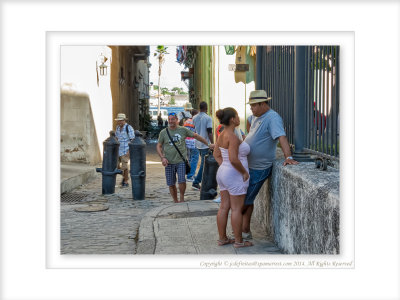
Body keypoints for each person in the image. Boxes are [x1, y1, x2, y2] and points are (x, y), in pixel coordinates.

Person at [242, 90, 298, 239]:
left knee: (244, 201)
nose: (251, 109)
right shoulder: (255, 116)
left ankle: (243, 232)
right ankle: (244, 231)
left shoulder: (273, 118)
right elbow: (248, 120)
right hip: (249, 166)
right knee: (246, 200)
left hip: (260, 167)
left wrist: (288, 156)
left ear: (262, 104)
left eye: (254, 105)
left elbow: (281, 137)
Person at [213, 107, 253, 248]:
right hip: (234, 175)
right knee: (236, 209)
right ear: (232, 119)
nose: (238, 118)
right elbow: (234, 159)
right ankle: (239, 241)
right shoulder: (233, 137)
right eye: (237, 116)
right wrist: (243, 172)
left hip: (223, 173)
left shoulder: (222, 134)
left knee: (224, 207)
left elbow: (216, 154)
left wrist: (225, 167)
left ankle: (222, 239)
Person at [157, 112, 214, 203]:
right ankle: (175, 200)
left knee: (181, 181)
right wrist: (162, 157)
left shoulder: (183, 130)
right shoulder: (163, 132)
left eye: (172, 119)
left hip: (181, 161)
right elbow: (159, 146)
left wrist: (208, 144)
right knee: (171, 183)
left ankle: (182, 198)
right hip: (169, 162)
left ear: (177, 120)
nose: (171, 121)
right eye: (169, 119)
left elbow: (196, 136)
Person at [191, 101, 214, 191]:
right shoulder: (208, 118)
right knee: (203, 165)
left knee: (203, 164)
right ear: (206, 108)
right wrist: (212, 143)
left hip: (198, 143)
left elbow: (194, 129)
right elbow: (209, 132)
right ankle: (196, 182)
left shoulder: (194, 117)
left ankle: (202, 181)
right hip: (205, 144)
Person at [115, 113, 135, 187]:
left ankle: (126, 181)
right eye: (118, 120)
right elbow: (116, 138)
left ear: (124, 120)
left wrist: (129, 151)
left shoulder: (128, 128)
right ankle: (125, 177)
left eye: (121, 120)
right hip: (118, 150)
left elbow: (132, 140)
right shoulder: (117, 128)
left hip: (125, 150)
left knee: (125, 166)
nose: (119, 122)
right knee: (116, 166)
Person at [184, 109, 199, 182]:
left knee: (190, 158)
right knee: (194, 159)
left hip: (187, 142)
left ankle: (190, 174)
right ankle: (190, 175)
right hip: (194, 142)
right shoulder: (196, 122)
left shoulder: (186, 121)